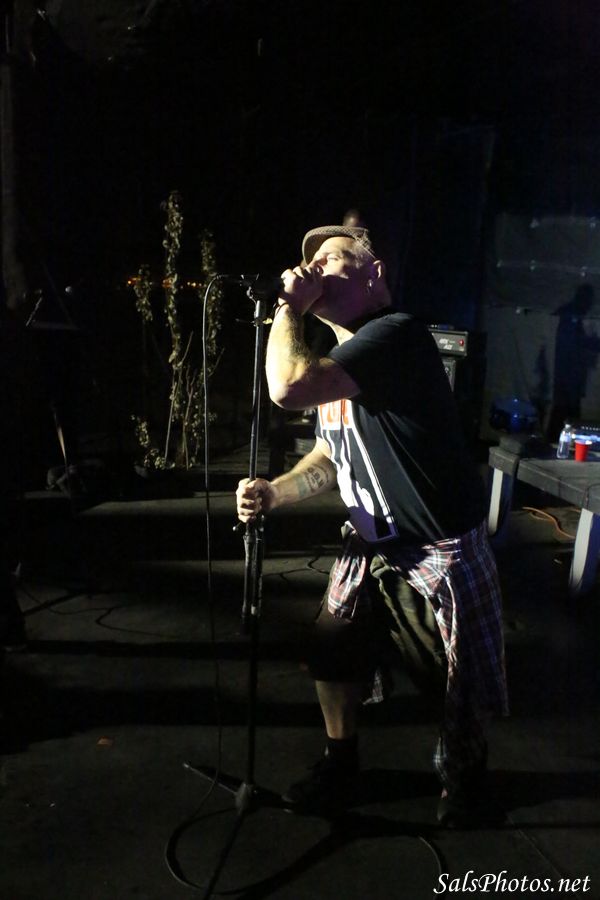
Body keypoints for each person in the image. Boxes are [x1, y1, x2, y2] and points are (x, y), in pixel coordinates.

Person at [235, 223, 508, 826]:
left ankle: (465, 780)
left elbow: (286, 386)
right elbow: (332, 454)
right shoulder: (340, 365)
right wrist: (275, 492)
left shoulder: (395, 334)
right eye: (310, 263)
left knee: (454, 681)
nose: (315, 270)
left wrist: (288, 307)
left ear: (374, 273)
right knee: (331, 646)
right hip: (371, 542)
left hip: (436, 545)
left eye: (331, 259)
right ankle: (341, 762)